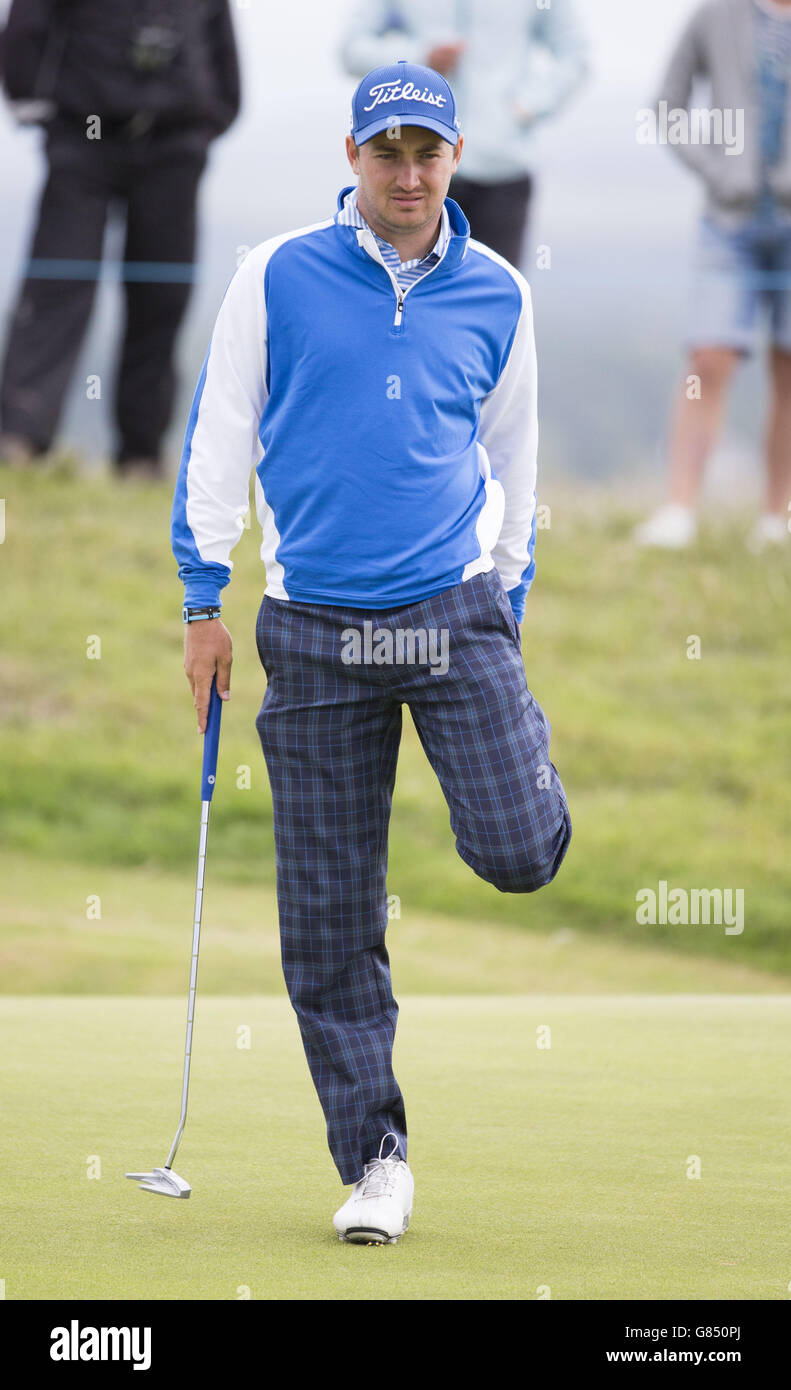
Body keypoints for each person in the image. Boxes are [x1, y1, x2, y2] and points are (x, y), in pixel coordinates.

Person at [172, 60, 572, 1245]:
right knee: (329, 917)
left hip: (452, 615)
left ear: (452, 160)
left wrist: (507, 595)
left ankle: (524, 780)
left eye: (427, 152)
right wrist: (204, 597)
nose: (408, 173)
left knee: (516, 854)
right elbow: (219, 434)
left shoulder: (497, 289)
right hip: (310, 625)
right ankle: (375, 1159)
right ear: (352, 157)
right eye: (386, 151)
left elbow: (517, 458)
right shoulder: (276, 274)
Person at [0, 0, 240, 478]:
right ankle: (18, 438)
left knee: (161, 297)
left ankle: (140, 455)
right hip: (80, 139)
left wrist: (202, 123)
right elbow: (25, 31)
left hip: (174, 148)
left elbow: (224, 58)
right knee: (56, 286)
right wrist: (39, 105)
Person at [635, 0, 791, 551]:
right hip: (730, 220)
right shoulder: (716, 15)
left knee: (789, 364)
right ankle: (679, 511)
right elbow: (667, 105)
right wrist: (717, 168)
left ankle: (777, 518)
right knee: (708, 355)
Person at [339, 0, 590, 266]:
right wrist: (420, 59)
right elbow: (352, 49)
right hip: (415, 167)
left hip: (501, 169)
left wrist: (526, 106)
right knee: (403, 292)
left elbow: (575, 53)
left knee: (494, 294)